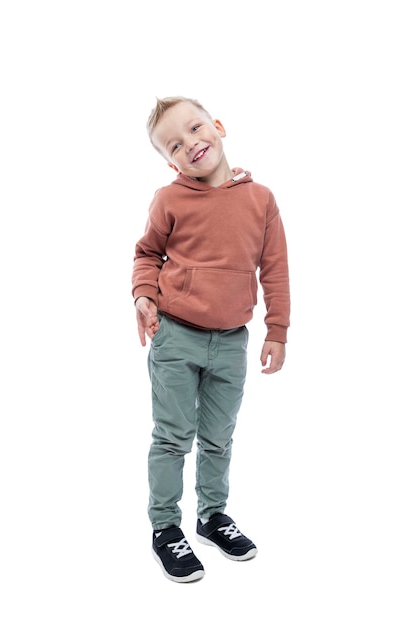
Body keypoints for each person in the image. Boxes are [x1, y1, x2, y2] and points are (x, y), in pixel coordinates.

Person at [132, 96, 290, 583]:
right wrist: (144, 297)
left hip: (231, 341)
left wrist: (277, 328)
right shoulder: (169, 199)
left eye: (196, 129)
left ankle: (212, 517)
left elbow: (276, 269)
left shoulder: (260, 198)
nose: (191, 144)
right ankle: (165, 527)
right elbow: (146, 255)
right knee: (174, 436)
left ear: (217, 126)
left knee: (219, 438)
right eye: (175, 145)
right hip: (175, 336)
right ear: (169, 161)